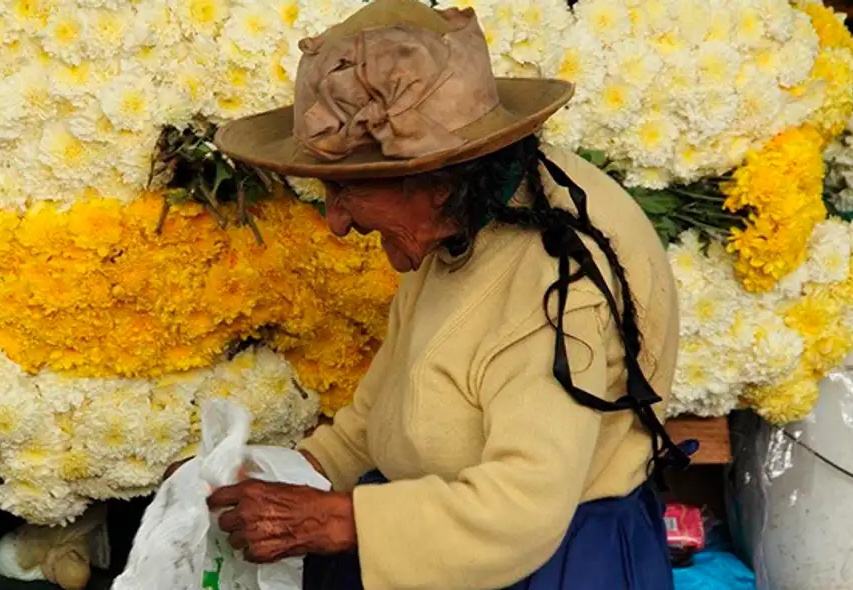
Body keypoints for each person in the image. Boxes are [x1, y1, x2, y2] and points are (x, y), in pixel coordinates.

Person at [202, 0, 694, 588]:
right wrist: (250, 476)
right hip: (438, 538)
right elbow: (383, 410)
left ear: (435, 179)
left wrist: (341, 522)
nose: (335, 222)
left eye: (346, 192)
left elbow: (523, 506)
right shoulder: (470, 213)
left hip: (546, 565)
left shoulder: (559, 280)